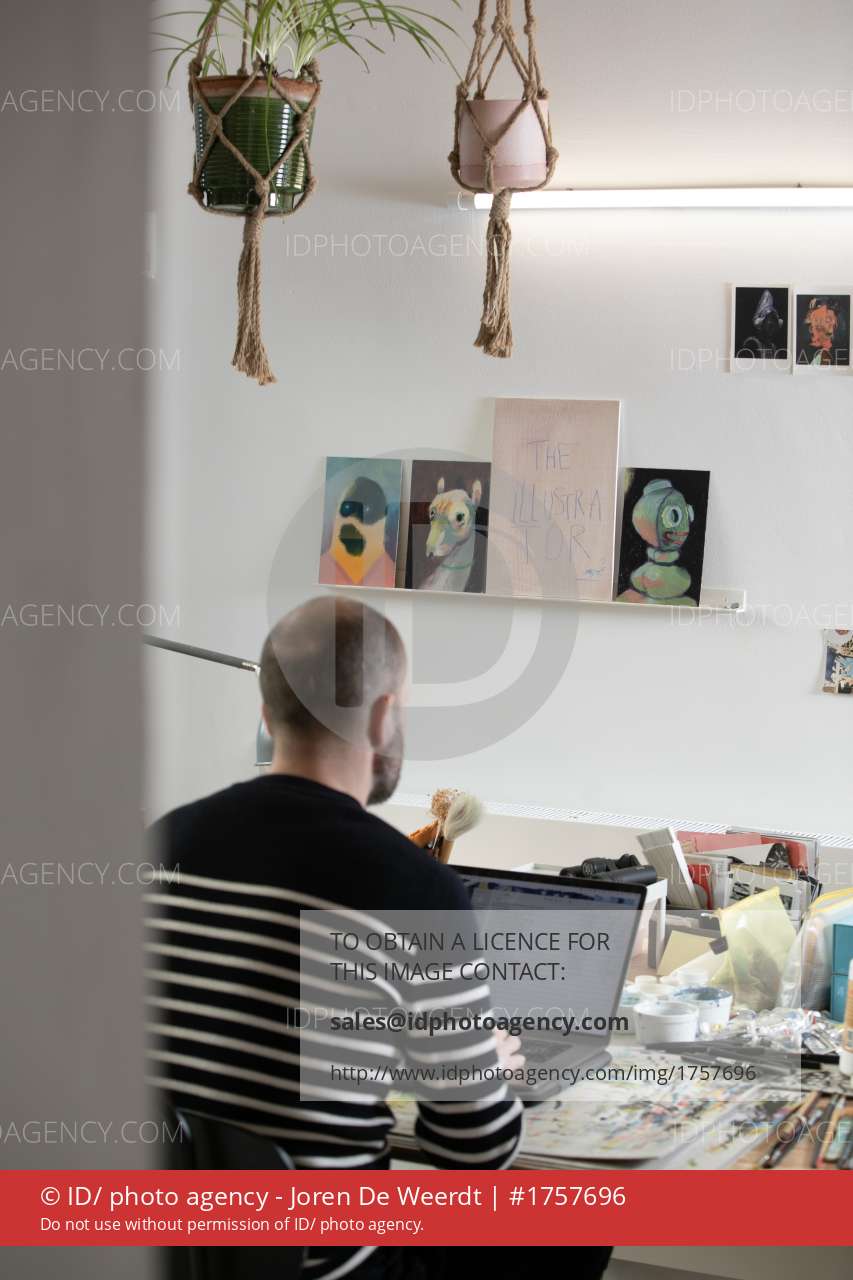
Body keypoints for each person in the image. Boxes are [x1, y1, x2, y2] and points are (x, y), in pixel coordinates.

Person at [147, 597, 526, 1279]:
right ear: (384, 717)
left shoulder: (159, 844)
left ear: (268, 715)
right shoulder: (414, 890)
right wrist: (485, 1070)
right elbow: (473, 1152)